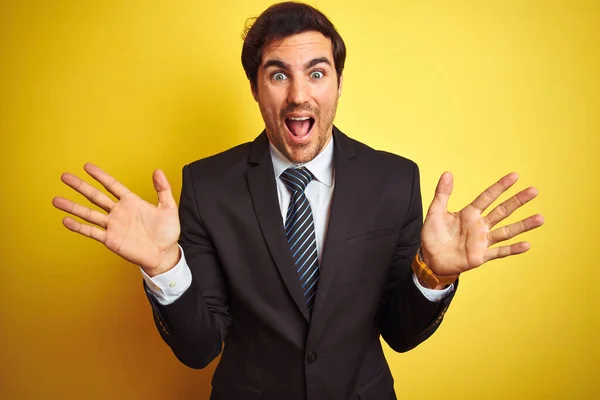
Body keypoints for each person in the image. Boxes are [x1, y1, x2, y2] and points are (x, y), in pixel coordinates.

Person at [52, 2, 544, 399]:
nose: (299, 97)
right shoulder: (207, 186)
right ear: (254, 88)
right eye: (278, 74)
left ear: (338, 83)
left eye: (316, 72)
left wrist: (435, 274)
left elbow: (401, 333)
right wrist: (164, 267)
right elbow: (201, 347)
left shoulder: (394, 180)